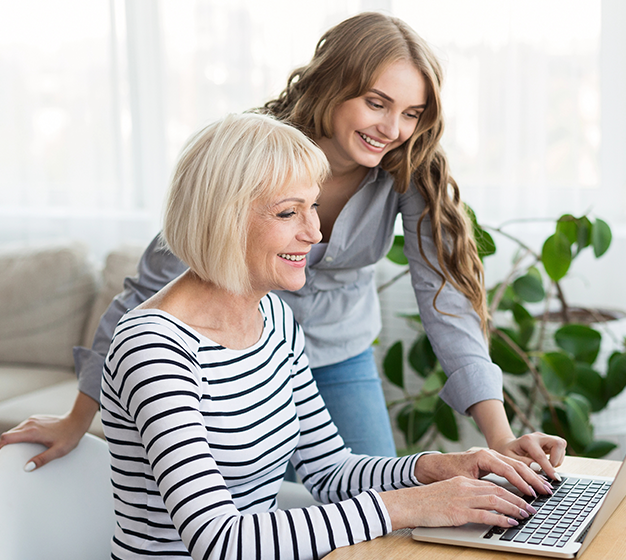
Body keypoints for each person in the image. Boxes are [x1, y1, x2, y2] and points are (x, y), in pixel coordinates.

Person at [0, 11, 565, 475]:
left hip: (342, 355)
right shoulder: (252, 151)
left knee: (371, 497)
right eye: (376, 103)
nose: (393, 129)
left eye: (411, 113)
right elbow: (145, 294)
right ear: (334, 85)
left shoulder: (408, 170)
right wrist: (77, 419)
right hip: (239, 360)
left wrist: (500, 436)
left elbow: (445, 300)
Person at [102, 112, 551, 559]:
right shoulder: (154, 347)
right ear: (223, 218)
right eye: (288, 212)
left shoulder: (274, 319)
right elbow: (220, 539)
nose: (315, 233)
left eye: (313, 207)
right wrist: (411, 505)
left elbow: (329, 470)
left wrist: (437, 468)